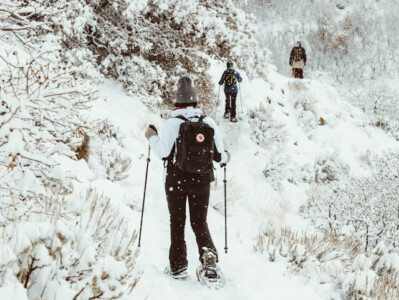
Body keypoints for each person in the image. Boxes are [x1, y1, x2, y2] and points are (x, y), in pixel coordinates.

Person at [145, 76, 230, 280]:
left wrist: (151, 137)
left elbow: (164, 153)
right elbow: (220, 157)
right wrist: (228, 156)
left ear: (177, 100)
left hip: (176, 181)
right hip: (201, 181)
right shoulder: (208, 122)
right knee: (199, 221)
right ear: (195, 100)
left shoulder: (172, 123)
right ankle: (208, 256)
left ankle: (178, 266)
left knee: (178, 221)